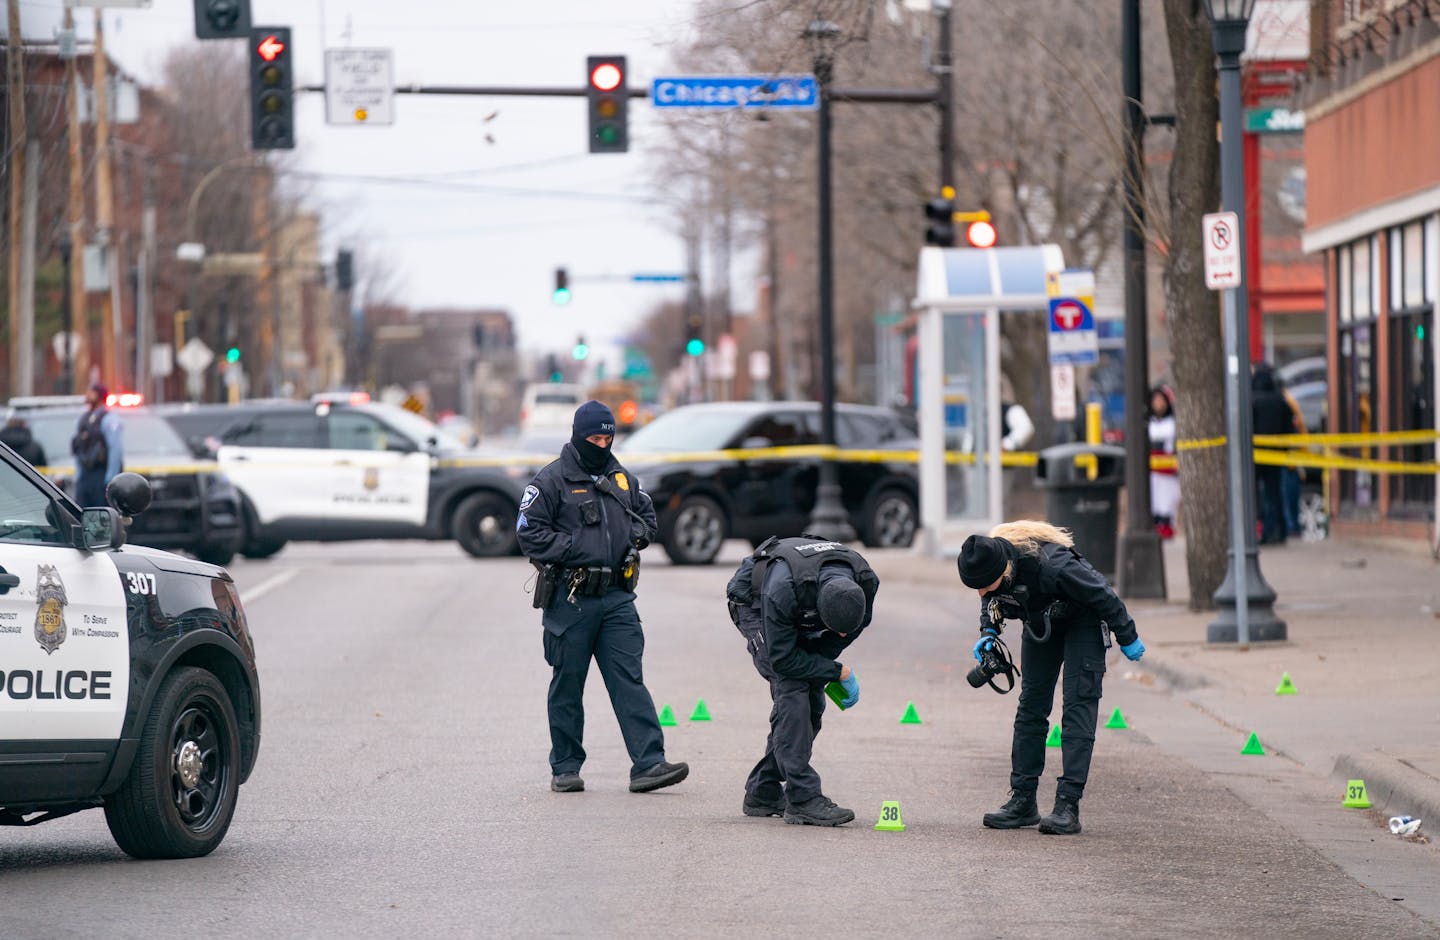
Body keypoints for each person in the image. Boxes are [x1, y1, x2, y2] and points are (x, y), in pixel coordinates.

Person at [516, 400, 688, 795]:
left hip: (616, 598)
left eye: (608, 437)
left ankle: (649, 763)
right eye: (595, 437)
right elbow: (529, 533)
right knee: (568, 682)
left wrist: (635, 539)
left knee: (629, 679)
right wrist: (578, 546)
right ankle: (566, 767)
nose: (602, 443)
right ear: (579, 436)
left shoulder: (621, 478)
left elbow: (647, 518)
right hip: (571, 598)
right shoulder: (550, 481)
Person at [958, 521, 1145, 835]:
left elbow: (1103, 594)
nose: (981, 591)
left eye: (985, 584)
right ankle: (1022, 800)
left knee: (1077, 706)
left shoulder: (1055, 567)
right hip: (1041, 621)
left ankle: (1067, 805)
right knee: (1031, 705)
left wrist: (1127, 635)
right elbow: (990, 601)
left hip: (1083, 620)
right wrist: (988, 633)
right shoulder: (990, 564)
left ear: (1003, 570)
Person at [725, 536, 878, 826]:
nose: (843, 638)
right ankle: (802, 798)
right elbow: (783, 661)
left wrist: (821, 665)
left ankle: (764, 790)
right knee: (793, 693)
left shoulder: (865, 582)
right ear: (820, 612)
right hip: (755, 603)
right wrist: (835, 671)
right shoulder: (781, 593)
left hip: (801, 599)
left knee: (812, 702)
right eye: (836, 631)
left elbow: (843, 634)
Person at [1250, 364, 1293, 545]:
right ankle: (1279, 530)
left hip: (1255, 457)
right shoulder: (1280, 400)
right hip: (1276, 457)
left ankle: (1263, 532)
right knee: (1274, 494)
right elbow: (1289, 427)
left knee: (1256, 496)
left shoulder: (1252, 400)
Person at [71, 383, 123, 508]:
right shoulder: (83, 418)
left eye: (91, 392)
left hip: (101, 474)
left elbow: (115, 450)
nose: (87, 394)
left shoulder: (109, 419)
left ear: (99, 395)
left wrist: (110, 479)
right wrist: (79, 475)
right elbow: (79, 447)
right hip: (85, 475)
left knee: (102, 514)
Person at [1147, 386, 1180, 539]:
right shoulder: (1149, 422)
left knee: (1167, 500)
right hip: (1152, 470)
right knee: (1154, 500)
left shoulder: (1173, 423)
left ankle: (1166, 526)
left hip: (1168, 470)